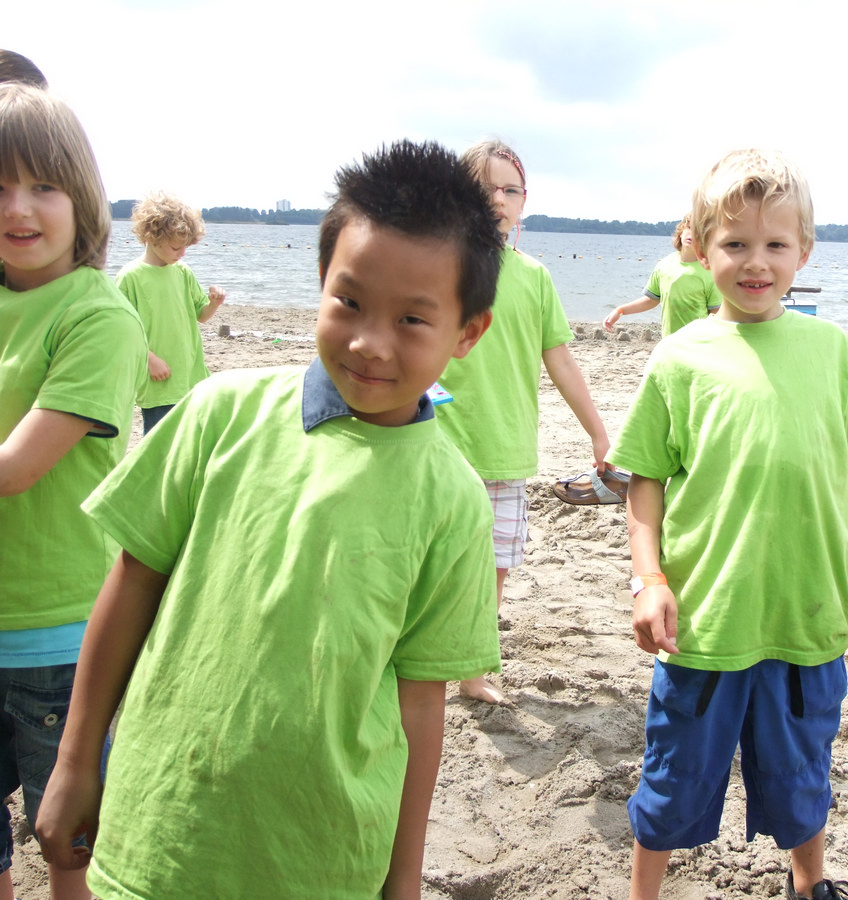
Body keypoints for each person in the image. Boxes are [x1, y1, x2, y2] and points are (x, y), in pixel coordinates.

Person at [35, 140, 505, 899]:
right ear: (321, 283)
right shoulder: (220, 413)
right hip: (158, 832)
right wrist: (75, 760)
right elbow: (132, 581)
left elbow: (421, 700)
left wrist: (404, 877)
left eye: (413, 319)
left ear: (467, 333)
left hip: (322, 859)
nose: (370, 343)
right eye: (349, 302)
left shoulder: (452, 498)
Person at [607, 149, 848, 900]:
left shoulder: (831, 350)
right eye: (735, 243)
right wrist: (649, 579)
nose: (755, 262)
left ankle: (810, 886)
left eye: (775, 244)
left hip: (805, 617)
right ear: (699, 249)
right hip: (705, 624)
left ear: (803, 251)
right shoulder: (679, 358)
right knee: (673, 780)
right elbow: (644, 482)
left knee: (803, 776)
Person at [0, 83, 146, 900]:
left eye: (43, 186)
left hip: (57, 638)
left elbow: (16, 468)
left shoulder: (98, 317)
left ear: (82, 199)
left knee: (69, 842)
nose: (18, 208)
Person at [436, 139, 611, 705]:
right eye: (485, 188)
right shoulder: (438, 264)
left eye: (510, 190)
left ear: (524, 202)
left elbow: (560, 359)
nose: (498, 200)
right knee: (432, 566)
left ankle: (473, 671)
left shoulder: (534, 277)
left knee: (494, 569)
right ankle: (411, 665)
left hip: (505, 449)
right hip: (436, 447)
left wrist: (598, 432)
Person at [116, 191, 225, 433]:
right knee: (160, 443)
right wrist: (149, 360)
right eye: (176, 247)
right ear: (152, 237)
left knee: (191, 439)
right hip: (159, 381)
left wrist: (214, 303)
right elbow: (120, 332)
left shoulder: (182, 272)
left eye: (186, 247)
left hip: (191, 375)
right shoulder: (130, 277)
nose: (182, 253)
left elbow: (201, 315)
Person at [603, 214, 721, 336]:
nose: (692, 234)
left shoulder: (709, 272)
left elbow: (716, 315)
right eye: (689, 228)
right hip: (668, 341)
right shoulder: (664, 265)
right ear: (681, 232)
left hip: (697, 342)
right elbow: (651, 300)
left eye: (699, 232)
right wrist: (620, 310)